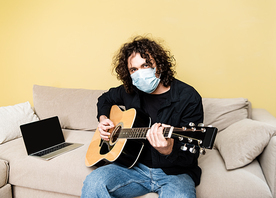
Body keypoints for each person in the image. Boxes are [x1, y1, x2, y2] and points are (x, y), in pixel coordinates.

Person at [81, 36, 204, 198]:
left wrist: (168, 150)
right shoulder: (130, 90)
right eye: (134, 69)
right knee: (93, 183)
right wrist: (103, 119)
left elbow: (190, 157)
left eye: (145, 65)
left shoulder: (188, 96)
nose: (140, 73)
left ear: (159, 65)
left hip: (175, 173)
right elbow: (105, 99)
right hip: (132, 167)